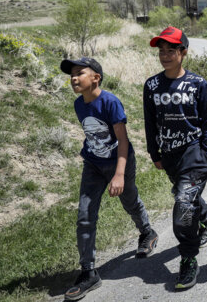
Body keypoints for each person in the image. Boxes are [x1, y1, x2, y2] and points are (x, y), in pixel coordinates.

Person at [61, 57, 157, 301]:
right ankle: (88, 271)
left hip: (118, 161)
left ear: (96, 77)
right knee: (85, 215)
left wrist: (119, 174)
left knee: (129, 200)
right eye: (71, 74)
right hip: (93, 163)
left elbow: (122, 140)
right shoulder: (78, 104)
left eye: (79, 72)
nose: (74, 77)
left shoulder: (110, 102)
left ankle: (147, 232)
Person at [143, 27, 207, 290]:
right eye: (161, 51)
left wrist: (206, 152)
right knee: (184, 194)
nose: (165, 55)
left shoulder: (198, 84)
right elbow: (150, 123)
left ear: (183, 52)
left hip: (195, 155)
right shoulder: (151, 85)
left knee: (183, 208)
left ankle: (188, 258)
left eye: (171, 50)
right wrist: (155, 153)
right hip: (170, 156)